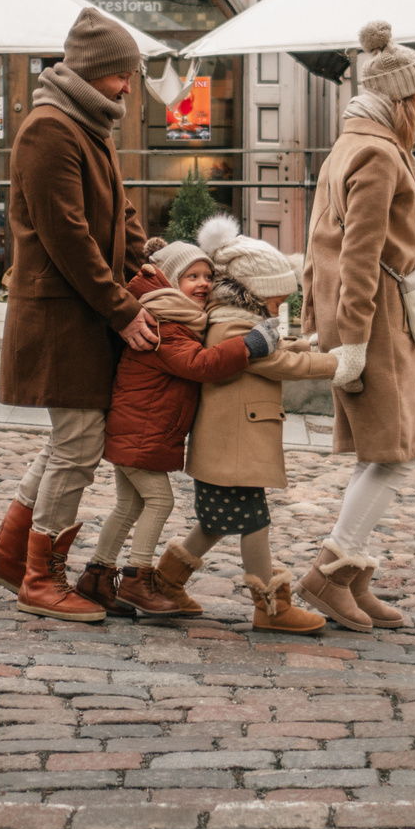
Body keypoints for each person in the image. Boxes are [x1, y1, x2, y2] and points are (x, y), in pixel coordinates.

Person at [0, 7, 159, 622]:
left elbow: (120, 214)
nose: (129, 85)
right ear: (97, 70)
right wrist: (123, 309)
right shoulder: (49, 129)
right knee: (77, 445)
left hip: (84, 312)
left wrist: (145, 268)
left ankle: (7, 554)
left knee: (70, 442)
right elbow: (67, 237)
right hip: (62, 316)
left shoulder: (89, 124)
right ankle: (39, 577)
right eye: (122, 74)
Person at [297, 20, 415, 629]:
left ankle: (353, 576)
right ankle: (330, 571)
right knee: (394, 454)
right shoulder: (380, 153)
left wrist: (317, 319)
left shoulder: (350, 144)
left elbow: (318, 244)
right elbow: (356, 254)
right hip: (379, 322)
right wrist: (353, 339)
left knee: (387, 450)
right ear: (395, 99)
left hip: (375, 317)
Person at [157, 217, 338, 634]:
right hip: (233, 443)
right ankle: (270, 607)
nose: (278, 308)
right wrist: (334, 364)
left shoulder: (236, 316)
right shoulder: (233, 323)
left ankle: (166, 581)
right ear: (254, 291)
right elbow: (274, 361)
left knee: (217, 519)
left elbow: (273, 347)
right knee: (254, 521)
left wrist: (303, 342)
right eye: (276, 300)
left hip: (230, 442)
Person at [83, 236, 276, 618]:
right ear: (171, 281)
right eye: (192, 276)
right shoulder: (165, 323)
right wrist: (251, 344)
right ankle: (137, 579)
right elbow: (200, 365)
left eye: (207, 275)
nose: (203, 283)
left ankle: (96, 579)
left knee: (128, 505)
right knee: (159, 501)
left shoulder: (177, 315)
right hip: (142, 433)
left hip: (139, 430)